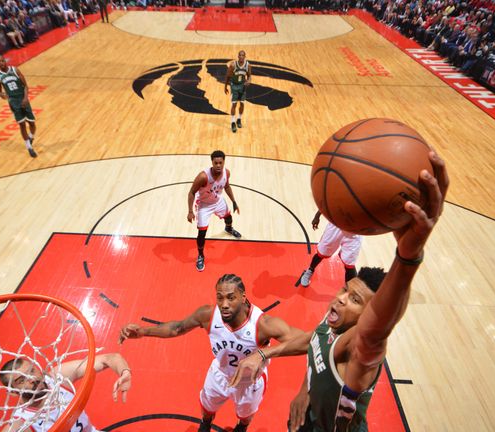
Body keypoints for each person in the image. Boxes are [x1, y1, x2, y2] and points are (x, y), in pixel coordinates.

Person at [230, 151, 449, 432]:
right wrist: (286, 375)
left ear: (368, 314)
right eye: (345, 290)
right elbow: (315, 342)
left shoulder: (359, 347)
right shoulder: (332, 322)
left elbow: (377, 327)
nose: (341, 298)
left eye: (355, 300)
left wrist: (408, 256)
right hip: (310, 419)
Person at [118, 273, 303, 432]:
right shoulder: (208, 315)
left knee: (245, 416)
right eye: (220, 297)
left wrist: (264, 354)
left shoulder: (263, 324)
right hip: (220, 374)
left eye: (231, 297)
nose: (224, 304)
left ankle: (241, 427)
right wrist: (143, 331)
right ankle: (206, 424)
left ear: (244, 297)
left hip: (249, 382)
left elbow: (305, 342)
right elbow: (177, 328)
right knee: (207, 407)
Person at [0, 353, 132, 431]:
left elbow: (109, 358)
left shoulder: (57, 378)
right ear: (13, 392)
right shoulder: (23, 421)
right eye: (22, 380)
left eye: (32, 371)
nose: (32, 379)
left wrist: (124, 372)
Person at [187, 150, 242, 272]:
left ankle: (228, 229)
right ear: (212, 162)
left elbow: (227, 186)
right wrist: (190, 211)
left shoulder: (226, 173)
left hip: (217, 200)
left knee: (228, 217)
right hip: (204, 205)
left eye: (220, 163)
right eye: (215, 163)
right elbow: (191, 192)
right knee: (202, 233)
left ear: (224, 162)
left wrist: (233, 201)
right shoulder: (203, 176)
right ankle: (200, 255)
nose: (218, 165)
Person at [299, 210, 363, 287]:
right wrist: (317, 215)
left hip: (355, 232)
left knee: (350, 264)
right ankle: (310, 270)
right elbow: (329, 201)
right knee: (321, 253)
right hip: (336, 227)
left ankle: (350, 289)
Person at [0, 55, 38, 158]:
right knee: (22, 124)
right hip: (13, 101)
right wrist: (2, 95)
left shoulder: (15, 70)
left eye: (2, 61)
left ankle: (31, 137)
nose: (1, 63)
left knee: (31, 123)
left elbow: (26, 86)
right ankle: (29, 147)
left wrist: (25, 98)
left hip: (22, 98)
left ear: (5, 60)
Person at [224, 50, 251, 133]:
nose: (241, 57)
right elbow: (228, 76)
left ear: (245, 56)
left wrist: (249, 81)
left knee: (242, 104)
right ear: (238, 56)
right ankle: (232, 122)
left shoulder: (248, 65)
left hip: (242, 86)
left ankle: (239, 119)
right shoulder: (233, 65)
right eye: (240, 55)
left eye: (243, 55)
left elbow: (249, 76)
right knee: (234, 104)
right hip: (234, 86)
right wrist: (225, 86)